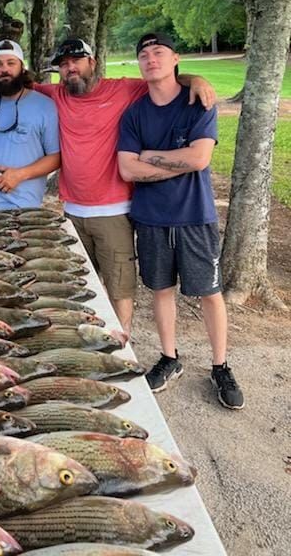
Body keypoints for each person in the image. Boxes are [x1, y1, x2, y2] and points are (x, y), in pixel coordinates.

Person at [0, 36, 214, 337]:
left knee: (119, 286)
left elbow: (162, 79)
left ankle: (121, 342)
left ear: (92, 62)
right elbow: (12, 84)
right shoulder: (55, 95)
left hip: (113, 210)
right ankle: (86, 340)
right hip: (72, 211)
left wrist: (196, 80)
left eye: (77, 60)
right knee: (76, 283)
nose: (70, 68)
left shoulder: (123, 89)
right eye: (63, 64)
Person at [117, 32, 244, 410]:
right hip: (151, 218)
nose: (151, 59)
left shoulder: (197, 102)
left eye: (159, 52)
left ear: (176, 59)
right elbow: (127, 169)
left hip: (194, 215)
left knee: (210, 292)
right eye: (144, 54)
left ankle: (220, 365)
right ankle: (169, 357)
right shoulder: (135, 113)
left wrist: (149, 157)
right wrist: (178, 161)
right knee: (161, 290)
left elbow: (200, 159)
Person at [0, 40, 60, 210]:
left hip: (25, 208)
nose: (5, 69)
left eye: (11, 63)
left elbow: (56, 157)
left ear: (22, 68)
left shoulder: (45, 106)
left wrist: (20, 175)